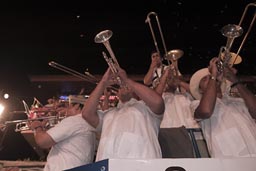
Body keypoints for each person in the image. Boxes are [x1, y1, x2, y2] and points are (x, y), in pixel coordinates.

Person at [82, 66, 165, 161]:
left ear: (136, 92)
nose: (123, 87)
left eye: (128, 86)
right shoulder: (108, 113)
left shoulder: (146, 108)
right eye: (121, 87)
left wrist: (127, 80)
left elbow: (158, 102)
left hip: (142, 164)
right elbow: (86, 113)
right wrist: (103, 82)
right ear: (117, 94)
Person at [189, 57, 256, 158]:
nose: (210, 78)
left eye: (210, 76)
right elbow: (206, 111)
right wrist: (213, 76)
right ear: (201, 90)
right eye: (205, 79)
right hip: (231, 161)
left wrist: (234, 79)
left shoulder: (237, 100)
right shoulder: (196, 104)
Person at [29, 95, 96, 171]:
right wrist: (43, 130)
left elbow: (42, 141)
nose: (66, 110)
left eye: (68, 106)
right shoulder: (86, 124)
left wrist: (37, 127)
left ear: (77, 106)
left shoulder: (74, 121)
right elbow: (56, 148)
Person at [154, 65, 209, 158]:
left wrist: (179, 82)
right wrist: (164, 79)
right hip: (170, 141)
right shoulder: (159, 98)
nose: (170, 80)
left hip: (195, 137)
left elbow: (199, 93)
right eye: (168, 78)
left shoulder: (186, 95)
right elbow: (154, 96)